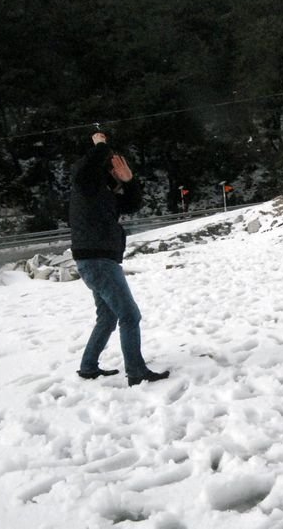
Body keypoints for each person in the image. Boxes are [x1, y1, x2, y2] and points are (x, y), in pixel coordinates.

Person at [69, 131, 170, 386]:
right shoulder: (85, 183)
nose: (116, 168)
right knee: (129, 315)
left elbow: (132, 204)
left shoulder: (104, 193)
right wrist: (100, 144)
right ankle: (136, 371)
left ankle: (88, 366)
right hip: (97, 261)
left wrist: (129, 180)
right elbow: (89, 165)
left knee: (108, 317)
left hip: (99, 260)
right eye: (112, 165)